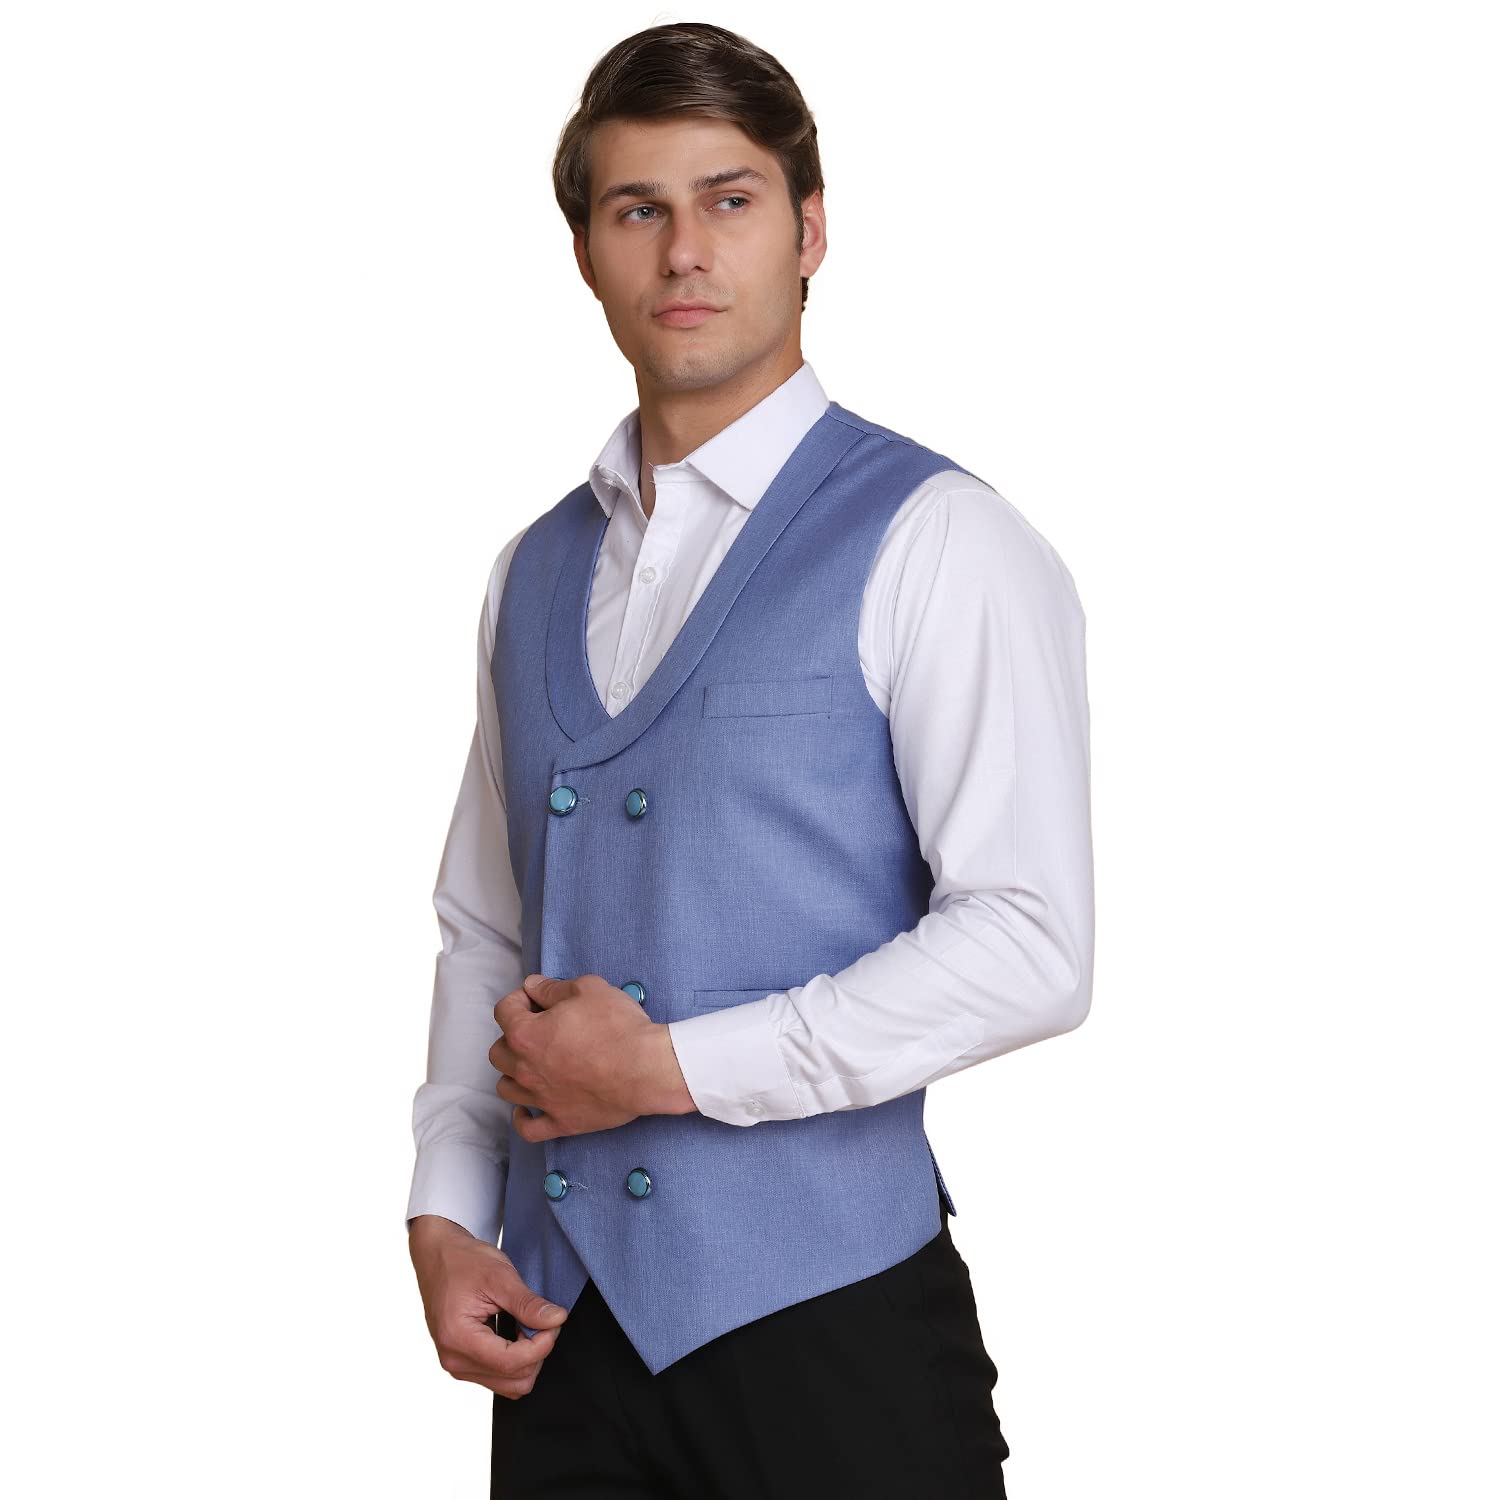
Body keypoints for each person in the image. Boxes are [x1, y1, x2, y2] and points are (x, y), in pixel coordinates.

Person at [406, 20, 1093, 1499]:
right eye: (636, 209)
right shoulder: (532, 569)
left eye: (729, 199)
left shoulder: (940, 538)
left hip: (832, 1329)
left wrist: (670, 1070)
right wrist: (448, 1207)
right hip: (562, 1329)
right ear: (585, 252)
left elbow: (1032, 942)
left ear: (810, 231)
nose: (684, 253)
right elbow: (488, 926)